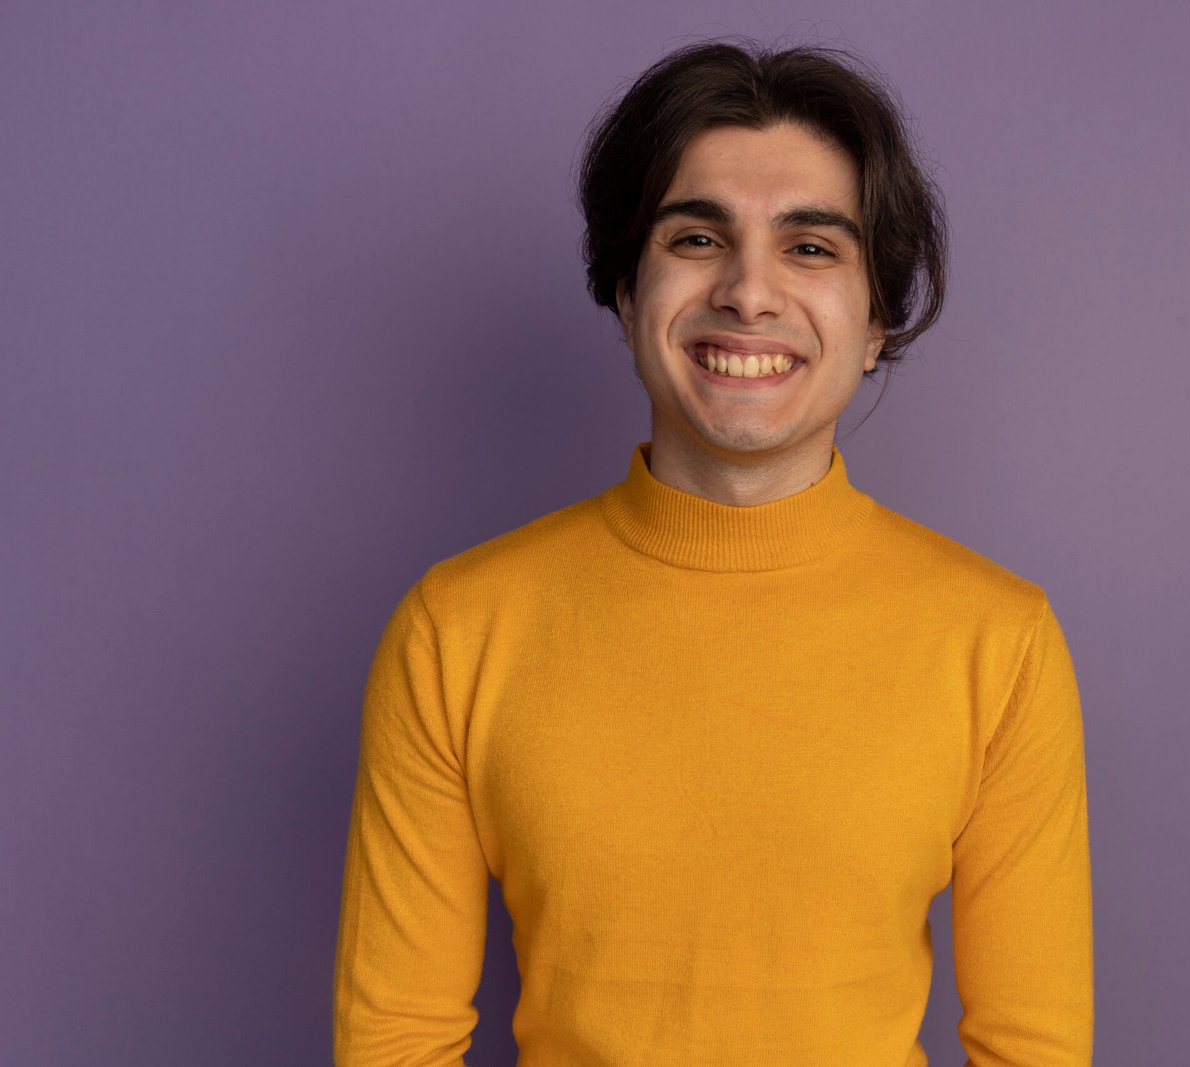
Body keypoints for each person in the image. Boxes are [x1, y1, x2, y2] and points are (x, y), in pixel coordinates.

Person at [332, 38, 1094, 1066]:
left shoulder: (997, 642)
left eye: (811, 247)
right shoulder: (457, 629)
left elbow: (1033, 1048)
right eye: (697, 237)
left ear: (875, 323)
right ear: (623, 291)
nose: (749, 290)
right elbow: (396, 1041)